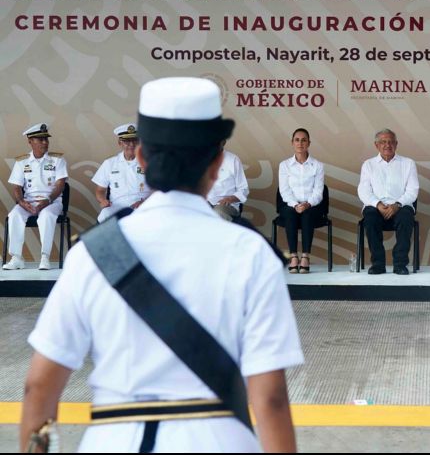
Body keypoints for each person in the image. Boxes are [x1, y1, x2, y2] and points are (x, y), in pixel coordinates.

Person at [20, 77, 303, 452]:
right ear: (217, 163)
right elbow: (270, 399)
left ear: (140, 158)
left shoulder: (92, 253)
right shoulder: (250, 252)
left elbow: (39, 386)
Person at [3, 123, 68, 271]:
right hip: (29, 202)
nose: (45, 142)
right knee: (14, 215)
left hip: (52, 202)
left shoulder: (57, 160)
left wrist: (47, 201)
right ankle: (16, 258)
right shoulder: (21, 162)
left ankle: (45, 257)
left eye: (46, 139)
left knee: (45, 216)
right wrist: (21, 202)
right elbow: (17, 187)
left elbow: (60, 186)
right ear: (30, 141)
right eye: (40, 139)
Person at [357, 128, 419, 275]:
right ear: (376, 145)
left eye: (391, 142)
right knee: (370, 217)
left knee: (406, 217)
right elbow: (363, 191)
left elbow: (413, 190)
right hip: (376, 206)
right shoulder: (368, 164)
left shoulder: (408, 163)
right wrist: (378, 204)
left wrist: (397, 205)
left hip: (400, 205)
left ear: (396, 144)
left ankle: (400, 264)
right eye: (383, 142)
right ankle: (378, 264)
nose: (387, 145)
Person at [278, 128, 325, 273]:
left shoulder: (318, 166)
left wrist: (307, 204)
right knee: (291, 213)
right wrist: (295, 205)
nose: (300, 143)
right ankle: (293, 256)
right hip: (290, 204)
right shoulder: (284, 165)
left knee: (307, 214)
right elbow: (284, 191)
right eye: (297, 140)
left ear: (309, 143)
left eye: (304, 140)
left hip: (311, 205)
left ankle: (305, 256)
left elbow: (318, 192)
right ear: (292, 143)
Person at [92, 123, 151, 223]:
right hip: (117, 205)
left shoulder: (148, 162)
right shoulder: (110, 163)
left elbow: (158, 189)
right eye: (127, 141)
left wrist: (145, 202)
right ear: (120, 143)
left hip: (142, 204)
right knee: (104, 215)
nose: (131, 145)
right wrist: (103, 200)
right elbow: (100, 190)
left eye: (135, 140)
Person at [206, 143, 249, 222]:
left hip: (226, 205)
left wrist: (231, 198)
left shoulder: (233, 160)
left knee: (218, 213)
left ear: (223, 142)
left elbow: (243, 189)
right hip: (203, 203)